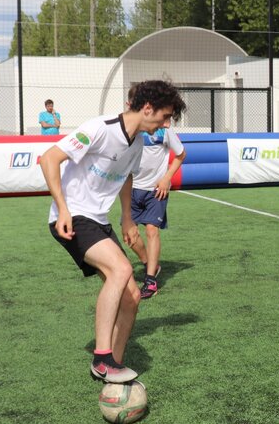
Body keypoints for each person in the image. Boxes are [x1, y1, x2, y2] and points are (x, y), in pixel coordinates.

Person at [40, 80, 186, 384]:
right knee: (121, 269)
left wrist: (126, 219)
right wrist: (62, 208)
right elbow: (50, 158)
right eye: (164, 116)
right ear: (148, 108)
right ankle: (102, 358)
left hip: (98, 220)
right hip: (72, 216)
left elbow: (126, 178)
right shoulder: (100, 128)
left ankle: (112, 368)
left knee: (132, 296)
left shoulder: (137, 143)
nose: (165, 123)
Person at [125, 84, 187, 300]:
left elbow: (180, 155)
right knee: (130, 236)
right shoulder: (129, 131)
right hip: (132, 190)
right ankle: (149, 263)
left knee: (152, 230)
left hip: (156, 190)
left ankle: (150, 281)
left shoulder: (164, 129)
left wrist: (166, 179)